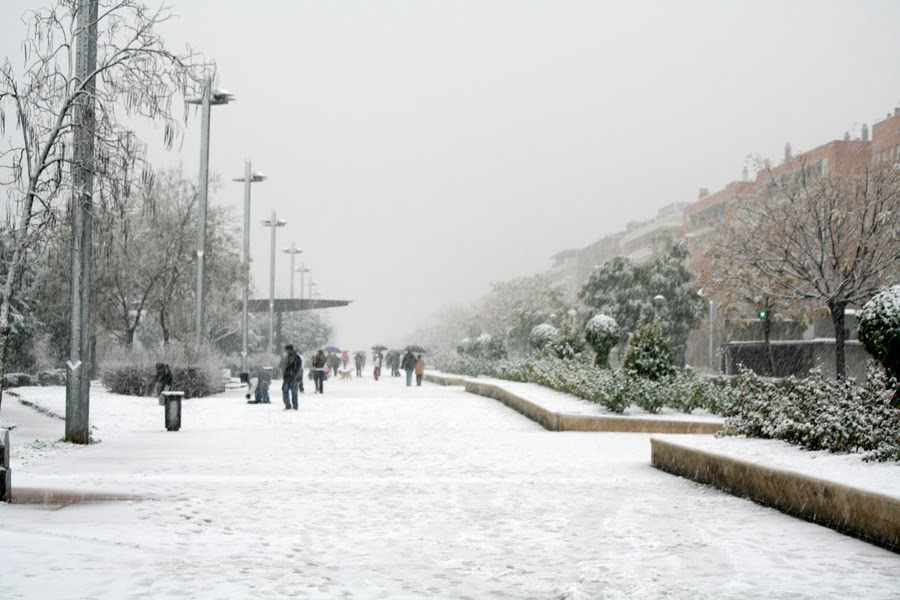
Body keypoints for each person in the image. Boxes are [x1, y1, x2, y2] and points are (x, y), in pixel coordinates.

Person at [280, 344, 302, 410]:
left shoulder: (296, 357)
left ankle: (292, 406)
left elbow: (298, 367)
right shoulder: (286, 357)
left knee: (292, 391)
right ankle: (290, 405)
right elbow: (282, 365)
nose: (285, 351)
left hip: (292, 376)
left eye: (286, 350)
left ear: (289, 349)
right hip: (288, 376)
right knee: (287, 390)